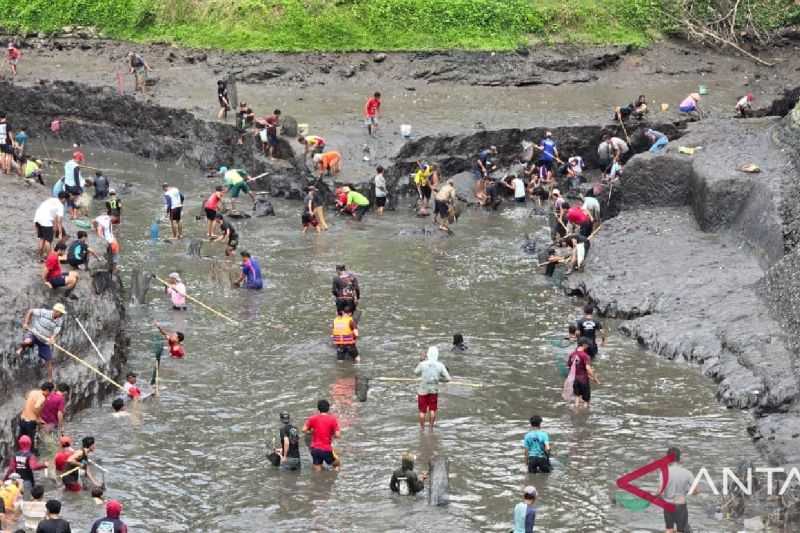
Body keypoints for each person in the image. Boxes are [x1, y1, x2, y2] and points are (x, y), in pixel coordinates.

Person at [18, 306, 66, 381]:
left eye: (62, 313)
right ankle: (21, 348)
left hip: (44, 341)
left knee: (49, 360)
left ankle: (50, 379)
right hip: (34, 333)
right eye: (60, 313)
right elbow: (31, 311)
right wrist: (26, 323)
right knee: (28, 341)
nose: (61, 315)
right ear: (56, 311)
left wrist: (52, 338)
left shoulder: (60, 320)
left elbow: (56, 332)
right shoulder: (45, 312)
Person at [659, 446, 697, 533]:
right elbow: (696, 491)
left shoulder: (664, 473)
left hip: (668, 505)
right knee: (680, 530)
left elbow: (660, 492)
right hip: (680, 506)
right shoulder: (687, 473)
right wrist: (687, 490)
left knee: (669, 529)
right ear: (679, 458)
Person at [414, 346, 451, 430]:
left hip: (422, 390)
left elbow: (415, 372)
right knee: (432, 410)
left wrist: (421, 361)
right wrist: (439, 379)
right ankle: (431, 428)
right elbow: (448, 379)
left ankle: (422, 429)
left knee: (422, 411)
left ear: (428, 354)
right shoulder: (440, 365)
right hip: (434, 390)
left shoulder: (422, 364)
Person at [302, 399, 341, 472]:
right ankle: (333, 479)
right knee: (337, 464)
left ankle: (319, 482)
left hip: (314, 449)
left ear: (318, 408)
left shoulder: (312, 418)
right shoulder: (333, 419)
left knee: (318, 470)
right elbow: (338, 435)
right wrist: (331, 434)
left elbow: (303, 430)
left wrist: (312, 432)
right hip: (326, 449)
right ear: (328, 408)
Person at [567, 338, 600, 409]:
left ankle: (576, 412)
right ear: (584, 345)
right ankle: (584, 416)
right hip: (583, 380)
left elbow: (570, 368)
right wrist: (595, 378)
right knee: (586, 400)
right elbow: (588, 368)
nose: (588, 347)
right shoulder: (585, 356)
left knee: (577, 397)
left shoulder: (572, 354)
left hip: (574, 379)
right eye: (588, 345)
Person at [34, 192, 67, 260]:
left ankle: (40, 254)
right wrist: (60, 233)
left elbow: (53, 215)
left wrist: (54, 227)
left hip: (37, 218)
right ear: (64, 199)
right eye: (66, 200)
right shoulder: (60, 205)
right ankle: (49, 257)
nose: (66, 202)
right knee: (48, 240)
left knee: (42, 238)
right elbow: (59, 221)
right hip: (46, 221)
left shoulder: (51, 199)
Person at [63, 151, 85, 219]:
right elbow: (76, 178)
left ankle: (71, 215)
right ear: (78, 158)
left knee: (69, 200)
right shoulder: (76, 166)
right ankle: (75, 215)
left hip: (67, 185)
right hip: (73, 186)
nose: (80, 161)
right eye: (80, 159)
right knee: (77, 199)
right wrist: (79, 188)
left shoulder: (67, 163)